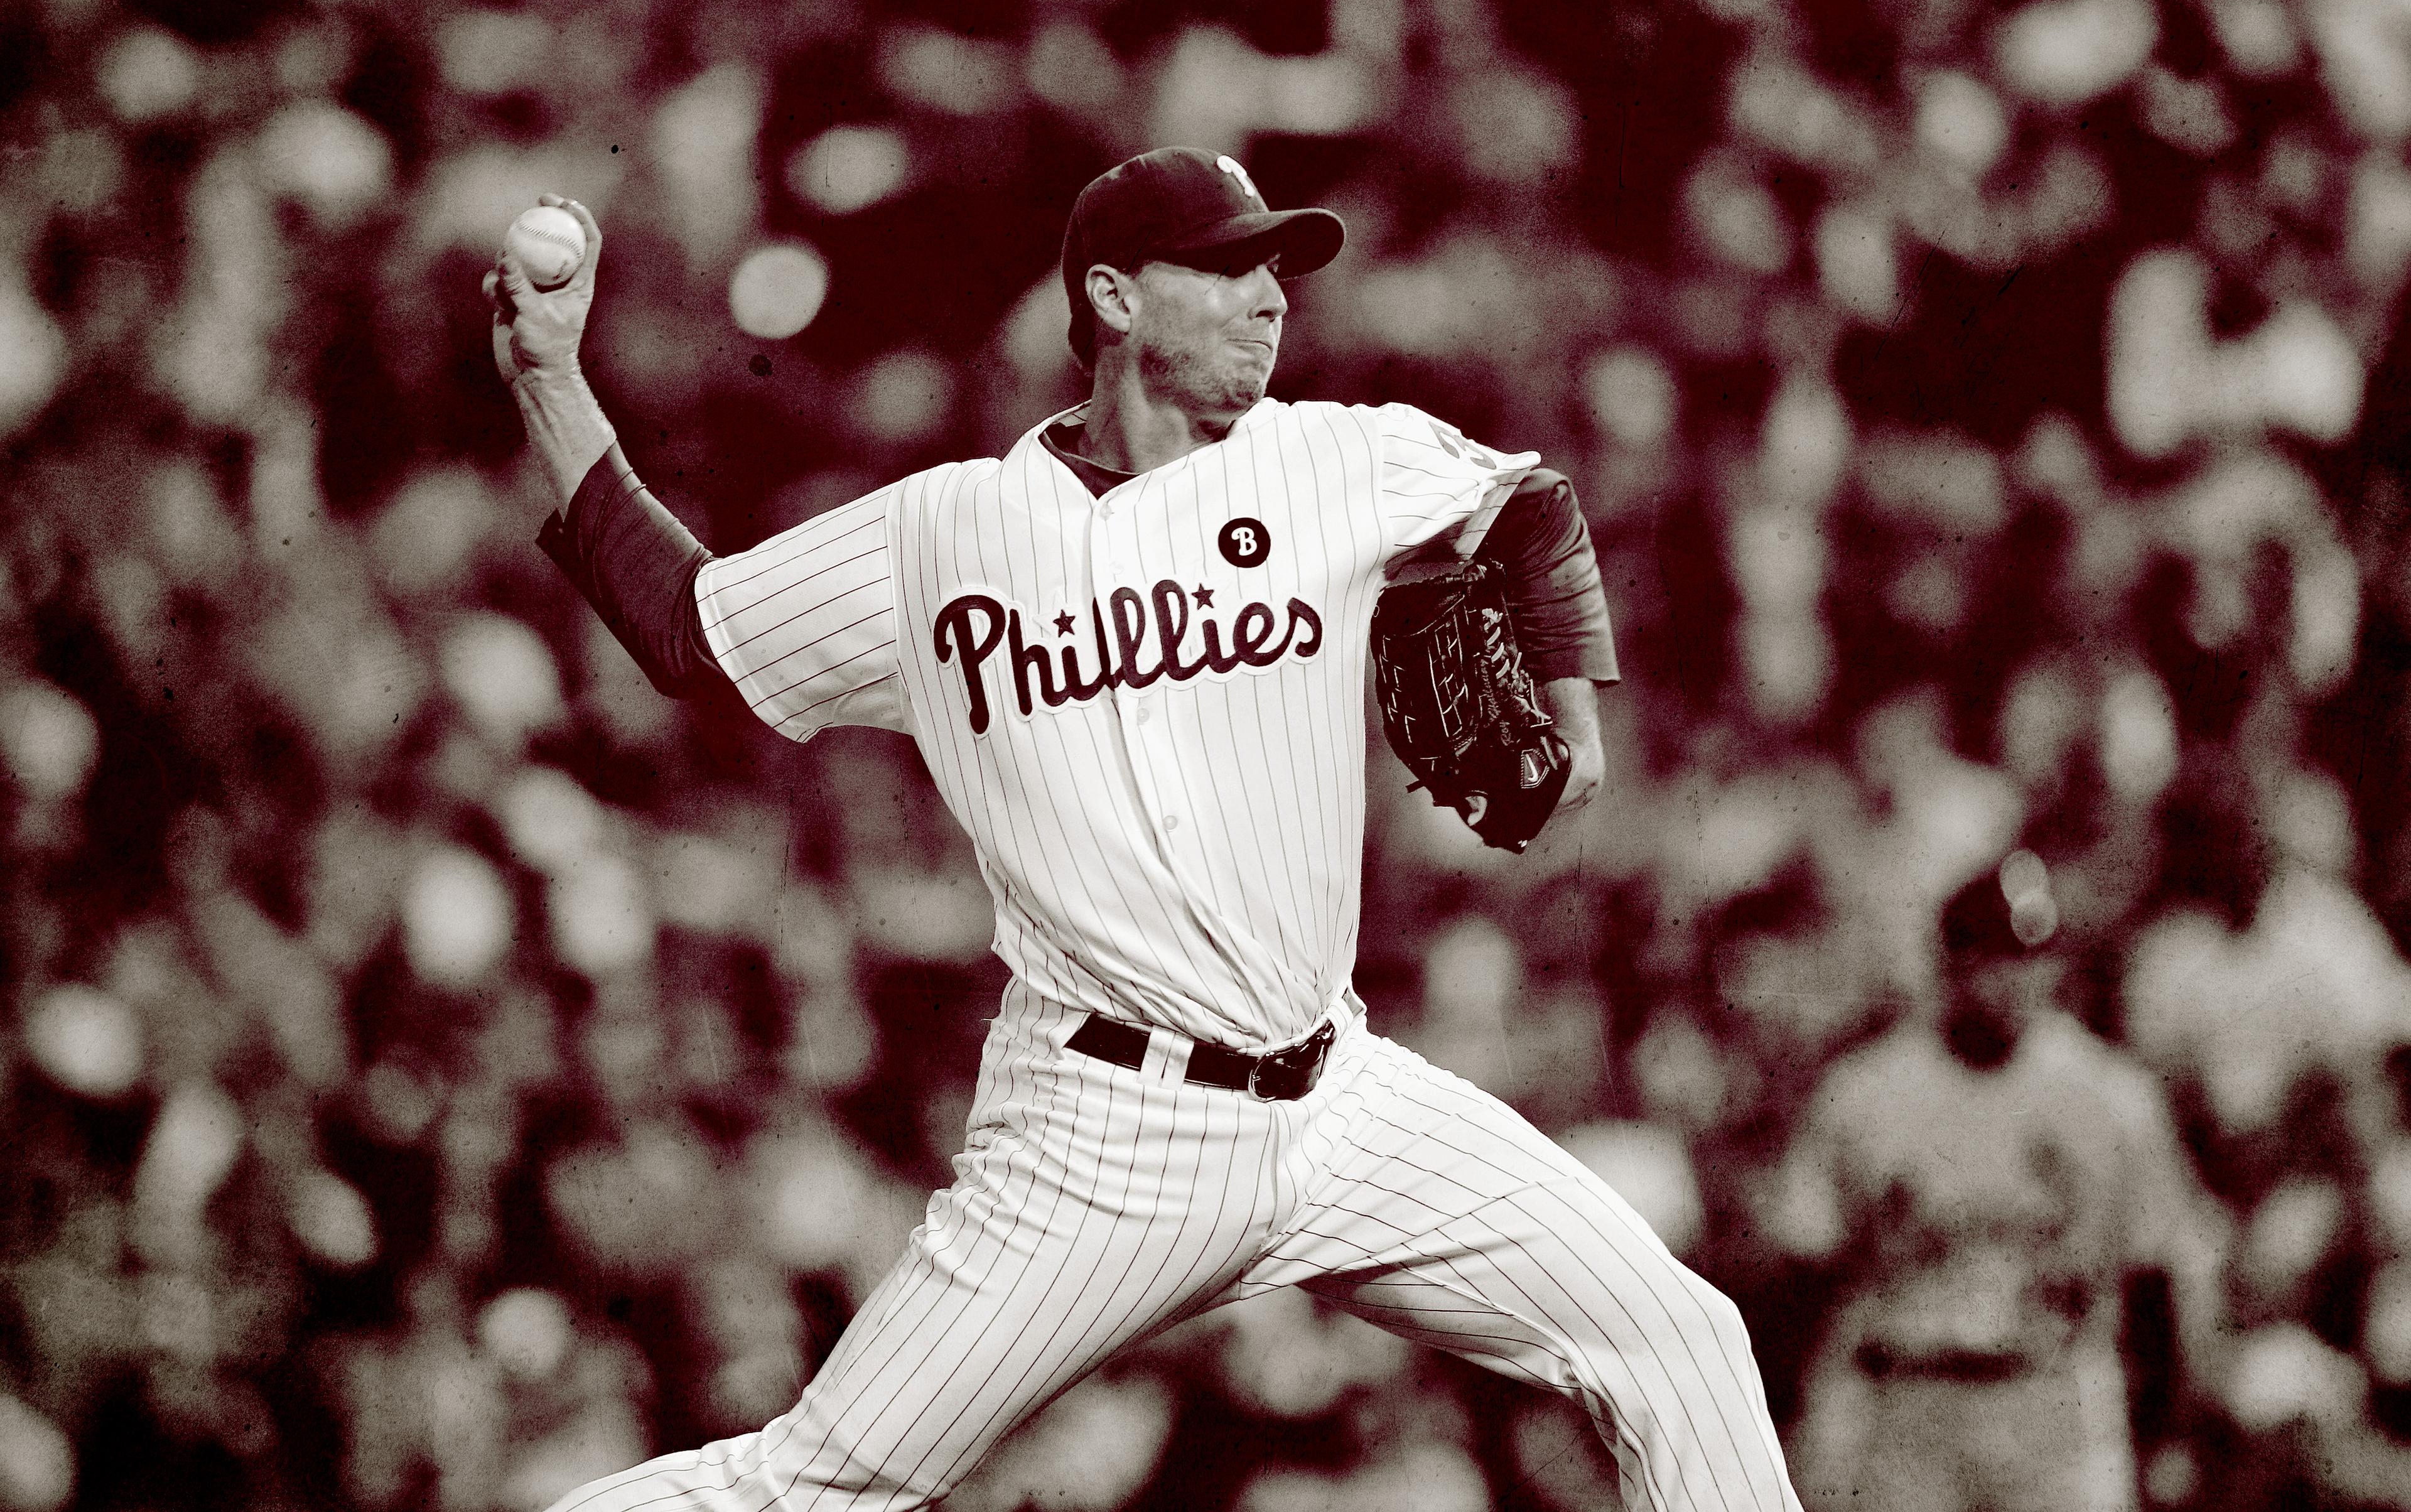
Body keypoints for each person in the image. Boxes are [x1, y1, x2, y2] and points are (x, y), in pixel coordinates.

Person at [485, 148, 1804, 1512]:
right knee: (815, 1483)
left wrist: (1578, 723)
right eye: (1228, 268)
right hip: (1106, 1136)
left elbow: (1526, 502)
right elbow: (688, 627)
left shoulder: (1333, 457)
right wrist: (548, 377)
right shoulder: (947, 531)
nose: (1271, 298)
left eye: (1278, 271)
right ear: (1114, 296)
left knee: (1680, 1342)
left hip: (1342, 1102)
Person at [1766, 850, 2228, 1512]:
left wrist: (2165, 1434)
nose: (2014, 979)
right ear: (1950, 963)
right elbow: (1805, 1268)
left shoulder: (2109, 1093)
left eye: (2032, 957)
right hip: (1912, 1399)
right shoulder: (1867, 1092)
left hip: (2056, 1397)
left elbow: (2152, 1271)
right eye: (1993, 957)